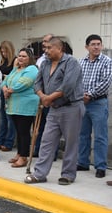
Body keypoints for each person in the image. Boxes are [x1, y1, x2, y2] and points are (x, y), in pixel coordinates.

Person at [25, 37, 84, 185]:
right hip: (53, 108)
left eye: (49, 48)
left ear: (59, 48)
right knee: (47, 141)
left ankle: (68, 175)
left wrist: (48, 98)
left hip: (71, 107)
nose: (46, 51)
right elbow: (37, 83)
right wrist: (42, 96)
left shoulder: (72, 63)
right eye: (45, 48)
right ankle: (40, 174)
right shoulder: (44, 64)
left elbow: (68, 86)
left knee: (71, 143)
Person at [77, 34, 112, 178]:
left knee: (100, 136)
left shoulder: (107, 61)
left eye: (99, 44)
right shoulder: (80, 62)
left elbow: (106, 81)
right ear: (87, 47)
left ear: (102, 46)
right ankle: (82, 163)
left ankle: (100, 166)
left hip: (98, 102)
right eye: (93, 44)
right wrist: (81, 96)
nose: (96, 47)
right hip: (82, 102)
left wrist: (89, 94)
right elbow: (76, 80)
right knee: (83, 135)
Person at [2, 48, 39, 167]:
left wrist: (10, 90)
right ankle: (19, 153)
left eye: (24, 56)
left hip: (26, 105)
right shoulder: (15, 69)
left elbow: (24, 83)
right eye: (19, 56)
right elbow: (4, 82)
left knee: (24, 131)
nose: (20, 58)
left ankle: (24, 157)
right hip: (14, 105)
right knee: (18, 131)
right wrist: (5, 90)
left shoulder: (32, 69)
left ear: (30, 58)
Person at [33, 34, 54, 157]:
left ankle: (52, 153)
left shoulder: (64, 61)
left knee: (51, 129)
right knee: (40, 127)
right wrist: (41, 95)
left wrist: (49, 97)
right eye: (43, 42)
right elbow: (38, 80)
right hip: (42, 98)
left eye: (46, 41)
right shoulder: (42, 60)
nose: (44, 44)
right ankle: (38, 150)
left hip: (53, 99)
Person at [0, 41, 16, 152]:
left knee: (10, 119)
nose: (3, 53)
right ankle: (0, 141)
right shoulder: (2, 61)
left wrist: (3, 76)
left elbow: (14, 75)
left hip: (10, 91)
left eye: (5, 51)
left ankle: (9, 142)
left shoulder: (15, 60)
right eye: (2, 52)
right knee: (3, 118)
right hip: (2, 90)